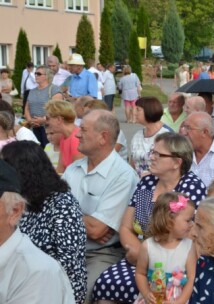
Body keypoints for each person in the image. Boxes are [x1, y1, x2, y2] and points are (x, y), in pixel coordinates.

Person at [93, 132, 206, 303]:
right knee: (106, 284)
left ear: (177, 162)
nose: (151, 157)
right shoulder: (147, 183)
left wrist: (150, 256)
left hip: (174, 263)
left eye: (158, 154)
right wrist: (140, 251)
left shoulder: (191, 187)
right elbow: (126, 227)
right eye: (152, 152)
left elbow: (189, 233)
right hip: (141, 255)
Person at [63, 110, 139, 303]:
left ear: (103, 137)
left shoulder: (123, 176)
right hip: (66, 248)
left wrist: (66, 217)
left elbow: (97, 231)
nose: (77, 134)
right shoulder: (74, 168)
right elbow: (52, 211)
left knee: (76, 296)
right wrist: (86, 221)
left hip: (102, 253)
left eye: (83, 130)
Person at [2, 141, 87, 304]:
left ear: (22, 171)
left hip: (54, 286)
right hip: (15, 272)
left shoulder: (62, 204)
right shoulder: (22, 199)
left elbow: (68, 262)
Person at [134, 192, 197, 304]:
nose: (192, 224)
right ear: (169, 222)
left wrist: (180, 302)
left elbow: (191, 279)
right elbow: (140, 273)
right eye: (188, 220)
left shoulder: (189, 246)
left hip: (177, 299)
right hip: (153, 298)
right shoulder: (148, 246)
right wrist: (146, 293)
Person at [130, 96, 172, 176]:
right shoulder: (137, 135)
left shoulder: (166, 136)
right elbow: (132, 162)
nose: (134, 113)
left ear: (149, 111)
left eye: (138, 110)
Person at [24, 65, 63, 147]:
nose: (36, 75)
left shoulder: (54, 89)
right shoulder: (32, 91)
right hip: (34, 127)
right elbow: (27, 108)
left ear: (47, 76)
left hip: (49, 127)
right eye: (35, 73)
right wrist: (30, 120)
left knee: (49, 150)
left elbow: (57, 110)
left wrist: (44, 120)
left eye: (39, 74)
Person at [45, 100, 84, 173]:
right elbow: (60, 169)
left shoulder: (76, 139)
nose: (46, 122)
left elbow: (78, 174)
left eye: (48, 118)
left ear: (59, 120)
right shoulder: (64, 137)